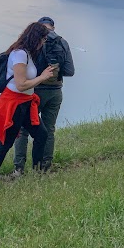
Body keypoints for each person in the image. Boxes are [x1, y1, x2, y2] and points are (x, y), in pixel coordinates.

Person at [0, 22, 54, 180]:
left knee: (41, 134)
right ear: (35, 38)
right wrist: (42, 77)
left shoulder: (27, 53)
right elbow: (21, 84)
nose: (43, 43)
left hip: (27, 102)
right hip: (15, 103)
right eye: (42, 39)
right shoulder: (20, 54)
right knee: (6, 142)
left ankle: (37, 173)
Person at [13, 16, 74, 173]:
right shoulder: (62, 42)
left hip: (36, 92)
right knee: (49, 129)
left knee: (23, 129)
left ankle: (19, 167)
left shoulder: (35, 42)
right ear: (53, 27)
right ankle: (44, 166)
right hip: (55, 92)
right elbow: (70, 71)